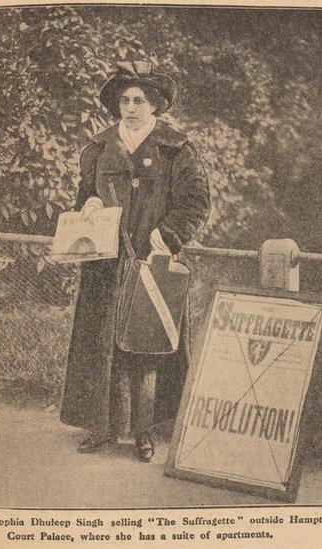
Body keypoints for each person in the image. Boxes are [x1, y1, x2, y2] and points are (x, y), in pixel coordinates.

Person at [59, 61, 211, 462]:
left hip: (151, 260)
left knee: (146, 347)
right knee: (101, 344)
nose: (130, 107)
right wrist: (89, 203)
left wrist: (167, 236)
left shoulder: (176, 148)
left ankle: (144, 432)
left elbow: (196, 204)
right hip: (105, 263)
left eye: (139, 100)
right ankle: (102, 427)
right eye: (124, 100)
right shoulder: (98, 147)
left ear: (156, 105)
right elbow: (83, 194)